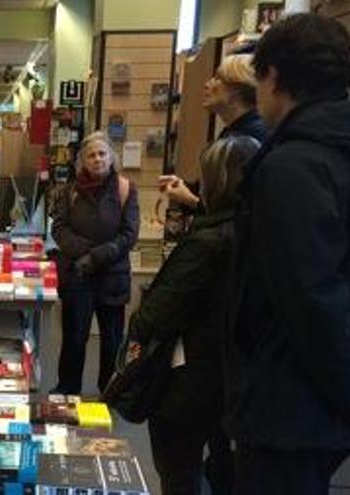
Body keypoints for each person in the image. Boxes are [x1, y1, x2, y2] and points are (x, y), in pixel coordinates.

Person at [225, 14, 350, 494]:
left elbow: (309, 296)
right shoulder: (331, 150)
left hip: (286, 405)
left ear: (273, 77)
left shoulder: (291, 166)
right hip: (314, 406)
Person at [133, 136, 260, 495]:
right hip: (237, 376)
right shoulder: (260, 231)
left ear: (214, 181)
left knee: (179, 472)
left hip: (188, 377)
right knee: (224, 466)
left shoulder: (207, 242)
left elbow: (153, 315)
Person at [52, 131, 139, 395]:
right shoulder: (70, 192)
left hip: (113, 275)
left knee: (112, 339)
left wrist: (99, 255)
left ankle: (109, 390)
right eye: (91, 155)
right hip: (79, 273)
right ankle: (68, 389)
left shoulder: (126, 189)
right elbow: (59, 228)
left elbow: (129, 234)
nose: (97, 159)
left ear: (111, 157)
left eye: (102, 154)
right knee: (74, 337)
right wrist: (85, 253)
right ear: (82, 161)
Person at [159, 54, 268, 209]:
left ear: (235, 93)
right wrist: (186, 188)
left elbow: (235, 213)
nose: (207, 84)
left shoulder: (249, 140)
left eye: (217, 79)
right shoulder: (237, 130)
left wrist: (191, 201)